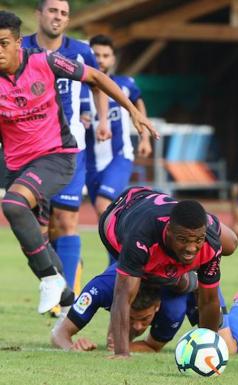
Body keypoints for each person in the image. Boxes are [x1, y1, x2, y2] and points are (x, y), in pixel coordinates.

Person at [0, 10, 157, 315]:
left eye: (3, 43)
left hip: (56, 156)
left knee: (14, 205)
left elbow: (97, 77)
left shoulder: (44, 61)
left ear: (18, 42)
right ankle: (64, 289)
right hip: (17, 164)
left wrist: (133, 112)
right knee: (35, 236)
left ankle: (50, 279)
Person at [22, 0, 111, 296]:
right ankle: (58, 276)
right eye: (52, 11)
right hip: (29, 148)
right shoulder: (19, 47)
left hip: (69, 147)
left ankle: (67, 300)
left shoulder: (80, 52)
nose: (58, 17)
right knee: (42, 229)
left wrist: (102, 121)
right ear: (39, 15)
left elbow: (98, 84)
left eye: (63, 13)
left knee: (67, 219)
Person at [98, 186, 238, 357]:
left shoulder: (210, 243)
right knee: (152, 277)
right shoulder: (140, 239)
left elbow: (208, 301)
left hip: (165, 209)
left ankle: (193, 278)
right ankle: (186, 280)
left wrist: (208, 347)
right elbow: (122, 295)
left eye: (198, 240)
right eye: (183, 239)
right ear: (169, 230)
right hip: (126, 207)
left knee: (231, 243)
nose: (191, 248)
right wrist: (121, 353)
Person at [51, 263, 238, 355]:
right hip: (148, 282)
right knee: (116, 337)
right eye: (132, 318)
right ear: (120, 306)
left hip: (197, 287)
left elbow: (152, 345)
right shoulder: (100, 288)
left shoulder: (171, 307)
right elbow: (59, 333)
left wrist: (125, 346)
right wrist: (72, 347)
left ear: (157, 307)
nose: (139, 326)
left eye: (145, 319)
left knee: (225, 348)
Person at [84, 34, 152, 223]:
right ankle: (120, 250)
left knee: (103, 205)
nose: (100, 60)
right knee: (107, 216)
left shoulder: (124, 85)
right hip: (90, 162)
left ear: (113, 59)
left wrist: (144, 138)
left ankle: (125, 249)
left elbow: (138, 104)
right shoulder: (79, 88)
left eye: (106, 56)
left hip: (119, 156)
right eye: (96, 55)